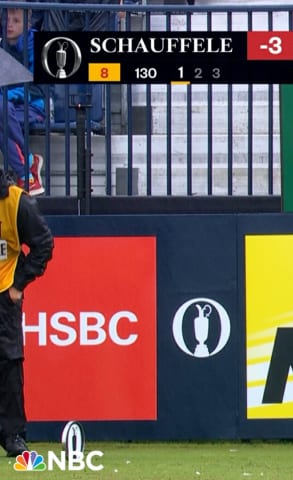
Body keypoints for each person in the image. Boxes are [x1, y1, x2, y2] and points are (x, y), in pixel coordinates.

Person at [0, 168, 54, 457]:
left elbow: (44, 244)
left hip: (3, 290)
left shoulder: (17, 203)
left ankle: (13, 436)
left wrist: (18, 284)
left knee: (8, 363)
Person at [1, 8, 46, 196]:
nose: (9, 24)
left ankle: (25, 168)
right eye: (7, 19)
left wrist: (7, 96)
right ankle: (27, 166)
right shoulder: (2, 46)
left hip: (34, 105)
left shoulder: (35, 45)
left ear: (27, 25)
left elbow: (35, 88)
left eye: (16, 21)